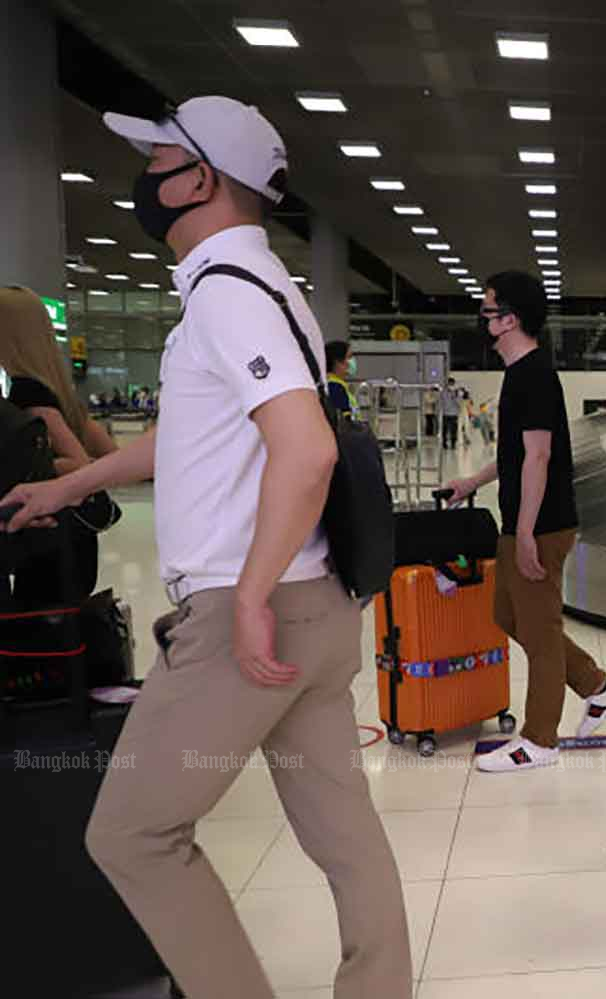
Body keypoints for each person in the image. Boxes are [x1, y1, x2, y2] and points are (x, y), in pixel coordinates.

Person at [1, 96, 411, 999]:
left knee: (133, 835)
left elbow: (303, 449)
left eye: (157, 161)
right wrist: (69, 485)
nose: (145, 179)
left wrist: (254, 596)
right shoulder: (269, 292)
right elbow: (200, 434)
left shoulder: (227, 294)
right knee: (347, 839)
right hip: (318, 608)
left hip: (247, 616)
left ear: (202, 179)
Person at [445, 272, 606, 772]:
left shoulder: (535, 375)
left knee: (541, 628)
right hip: (522, 521)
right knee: (506, 616)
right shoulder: (519, 372)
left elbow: (540, 457)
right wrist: (472, 482)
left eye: (489, 311)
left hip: (542, 525)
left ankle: (540, 740)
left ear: (511, 319)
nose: (483, 319)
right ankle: (597, 684)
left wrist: (526, 531)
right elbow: (515, 455)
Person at [0, 286, 118, 475]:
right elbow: (112, 456)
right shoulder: (58, 393)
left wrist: (18, 466)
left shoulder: (29, 393)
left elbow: (78, 463)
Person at [325, 340, 359, 420]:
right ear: (338, 362)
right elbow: (344, 421)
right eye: (349, 357)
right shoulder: (335, 387)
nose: (353, 361)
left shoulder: (338, 384)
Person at [439, 376, 461, 449]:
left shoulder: (457, 392)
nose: (450, 385)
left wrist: (454, 396)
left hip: (454, 414)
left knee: (453, 430)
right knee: (445, 429)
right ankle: (444, 443)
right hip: (446, 413)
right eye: (449, 384)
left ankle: (453, 443)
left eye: (452, 384)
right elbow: (441, 402)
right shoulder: (443, 392)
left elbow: (459, 403)